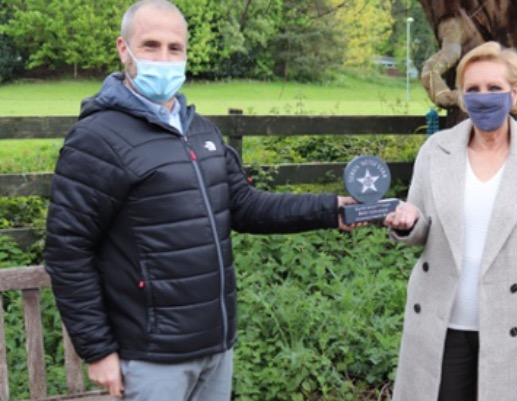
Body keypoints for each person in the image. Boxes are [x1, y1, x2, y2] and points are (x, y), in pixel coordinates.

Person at [42, 1, 357, 400]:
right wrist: (98, 350)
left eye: (175, 48)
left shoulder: (201, 131)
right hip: (151, 357)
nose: (164, 58)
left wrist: (331, 209)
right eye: (151, 45)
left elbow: (245, 206)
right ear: (124, 49)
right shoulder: (97, 139)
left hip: (214, 347)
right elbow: (67, 250)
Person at [383, 41, 517, 401]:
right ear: (461, 96)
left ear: (515, 93)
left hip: (516, 323)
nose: (483, 97)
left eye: (494, 87)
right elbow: (419, 226)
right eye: (473, 89)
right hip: (443, 322)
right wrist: (406, 224)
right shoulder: (436, 151)